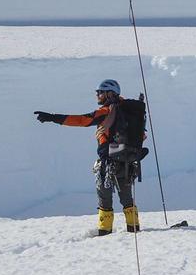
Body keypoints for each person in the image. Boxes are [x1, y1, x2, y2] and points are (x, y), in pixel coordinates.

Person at [34, 79, 141, 235]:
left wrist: (53, 117)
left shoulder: (106, 111)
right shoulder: (130, 112)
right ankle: (134, 230)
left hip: (108, 163)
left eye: (100, 92)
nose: (97, 95)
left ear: (110, 93)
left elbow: (82, 120)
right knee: (127, 199)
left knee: (104, 199)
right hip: (126, 161)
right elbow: (142, 135)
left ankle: (105, 234)